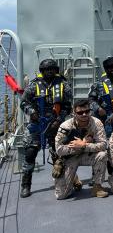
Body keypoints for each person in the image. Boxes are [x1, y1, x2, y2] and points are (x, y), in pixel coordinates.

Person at [20, 58, 73, 198]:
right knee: (30, 153)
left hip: (56, 124)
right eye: (46, 70)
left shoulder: (63, 84)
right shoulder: (34, 85)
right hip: (37, 125)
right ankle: (26, 185)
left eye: (52, 69)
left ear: (56, 71)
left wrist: (59, 119)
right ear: (42, 71)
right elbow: (24, 102)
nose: (50, 72)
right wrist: (32, 112)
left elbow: (68, 105)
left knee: (59, 154)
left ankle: (64, 182)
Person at [53, 99, 109, 199]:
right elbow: (59, 149)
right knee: (61, 195)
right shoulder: (65, 126)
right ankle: (74, 179)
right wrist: (78, 147)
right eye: (80, 112)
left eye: (87, 111)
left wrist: (83, 145)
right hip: (70, 157)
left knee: (102, 155)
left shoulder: (96, 123)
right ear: (74, 113)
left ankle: (97, 187)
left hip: (87, 154)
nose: (84, 114)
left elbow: (104, 145)